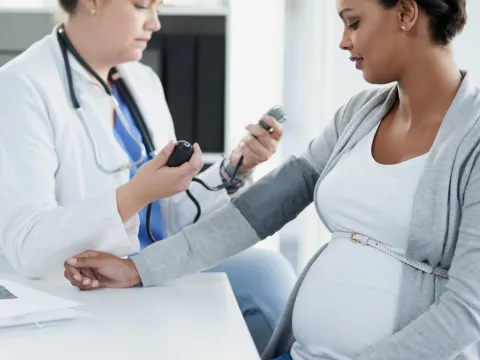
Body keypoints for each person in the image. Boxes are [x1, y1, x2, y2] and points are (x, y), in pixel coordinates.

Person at [64, 0, 480, 359]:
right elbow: (256, 212)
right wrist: (137, 268)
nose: (343, 41)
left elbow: (466, 312)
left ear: (407, 13)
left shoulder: (473, 140)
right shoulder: (359, 115)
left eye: (353, 22)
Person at [0, 0, 298, 353]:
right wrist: (133, 196)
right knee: (265, 280)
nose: (155, 23)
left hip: (153, 264)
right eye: (142, 6)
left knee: (270, 271)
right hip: (81, 286)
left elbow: (169, 216)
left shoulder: (141, 81)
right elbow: (26, 247)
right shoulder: (21, 87)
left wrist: (235, 168)